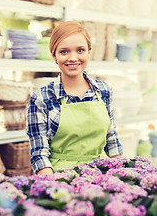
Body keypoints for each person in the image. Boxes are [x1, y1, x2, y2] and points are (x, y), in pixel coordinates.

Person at [26, 21, 123, 175]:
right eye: (64, 51)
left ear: (88, 52)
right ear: (54, 55)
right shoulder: (41, 98)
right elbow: (39, 153)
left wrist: (122, 176)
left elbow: (111, 141)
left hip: (100, 176)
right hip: (60, 177)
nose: (73, 58)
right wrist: (54, 187)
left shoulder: (104, 90)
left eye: (80, 50)